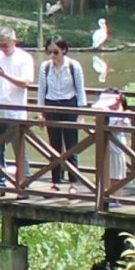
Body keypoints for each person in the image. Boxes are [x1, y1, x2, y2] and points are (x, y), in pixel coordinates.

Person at [0, 26, 37, 181]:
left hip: (16, 112)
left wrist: (4, 75)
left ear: (14, 41)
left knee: (19, 150)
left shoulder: (24, 57)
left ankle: (23, 184)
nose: (2, 48)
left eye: (5, 45)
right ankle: (0, 184)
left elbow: (26, 82)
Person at [38, 36, 89, 183]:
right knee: (54, 146)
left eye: (56, 52)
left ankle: (74, 180)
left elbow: (80, 90)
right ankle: (56, 180)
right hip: (51, 105)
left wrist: (82, 114)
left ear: (64, 50)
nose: (53, 56)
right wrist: (41, 113)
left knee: (71, 146)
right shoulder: (45, 67)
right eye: (49, 52)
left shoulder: (74, 66)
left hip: (69, 105)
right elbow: (41, 91)